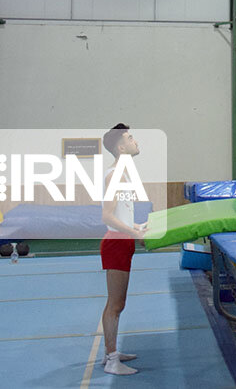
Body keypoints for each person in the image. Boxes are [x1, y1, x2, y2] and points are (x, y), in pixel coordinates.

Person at [99, 123, 145, 375]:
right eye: (129, 138)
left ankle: (111, 352)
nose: (134, 140)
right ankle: (111, 359)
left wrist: (137, 227)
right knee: (115, 305)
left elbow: (121, 214)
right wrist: (134, 233)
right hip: (116, 243)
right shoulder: (114, 175)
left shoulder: (124, 174)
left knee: (119, 303)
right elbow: (107, 216)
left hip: (122, 241)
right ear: (121, 148)